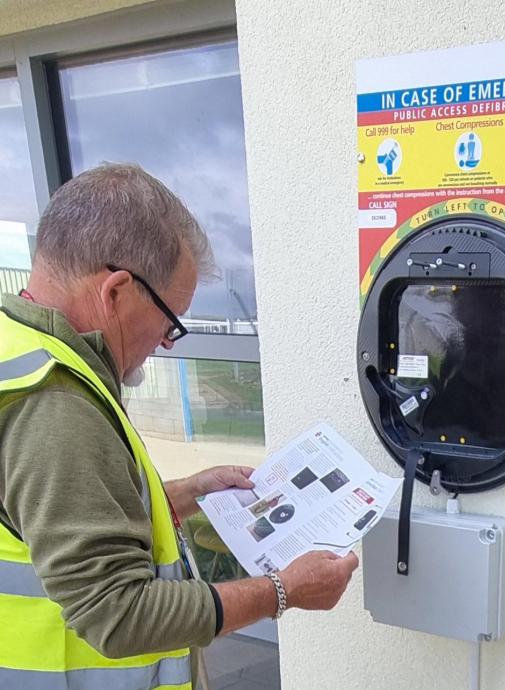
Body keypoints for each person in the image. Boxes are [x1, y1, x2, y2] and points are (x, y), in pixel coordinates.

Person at [0, 163, 359, 690]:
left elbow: (61, 520)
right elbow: (116, 612)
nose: (166, 344)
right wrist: (282, 590)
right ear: (117, 291)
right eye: (170, 323)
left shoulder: (19, 347)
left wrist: (190, 493)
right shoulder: (54, 401)